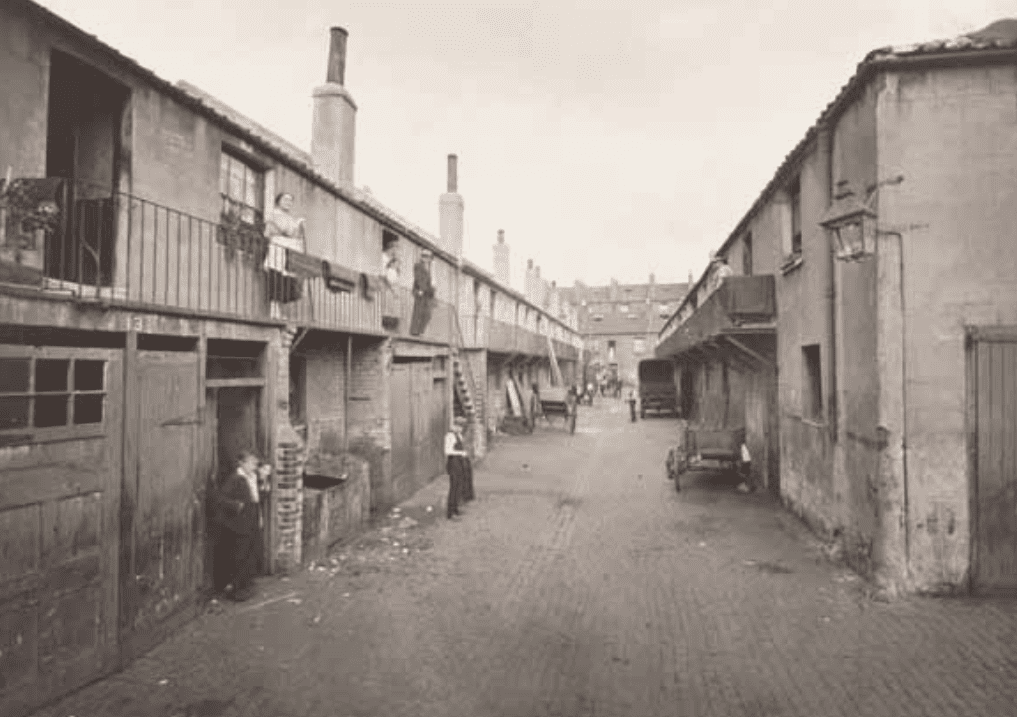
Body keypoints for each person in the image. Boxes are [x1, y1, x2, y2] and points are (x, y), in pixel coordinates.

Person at [212, 451, 271, 601]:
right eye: (251, 463)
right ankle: (235, 589)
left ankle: (245, 584)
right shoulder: (235, 479)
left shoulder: (253, 477)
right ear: (242, 463)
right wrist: (236, 505)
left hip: (252, 517)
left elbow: (258, 498)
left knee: (250, 552)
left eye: (255, 463)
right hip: (240, 522)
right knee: (239, 554)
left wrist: (264, 481)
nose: (254, 466)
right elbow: (220, 498)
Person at [444, 419, 469, 519]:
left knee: (459, 486)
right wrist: (461, 453)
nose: (461, 429)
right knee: (454, 487)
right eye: (460, 427)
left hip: (459, 462)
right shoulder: (450, 436)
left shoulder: (459, 435)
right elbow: (448, 451)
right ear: (456, 426)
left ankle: (455, 508)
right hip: (453, 462)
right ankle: (450, 512)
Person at [409, 249, 435, 336]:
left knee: (427, 314)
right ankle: (415, 331)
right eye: (426, 257)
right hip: (420, 291)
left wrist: (431, 291)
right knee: (418, 312)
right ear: (423, 257)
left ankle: (420, 331)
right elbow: (418, 278)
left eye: (429, 258)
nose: (428, 259)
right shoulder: (418, 266)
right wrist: (422, 289)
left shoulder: (428, 268)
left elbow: (429, 282)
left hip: (427, 293)